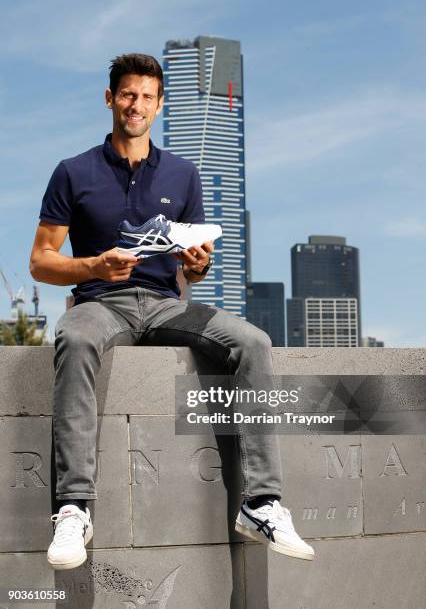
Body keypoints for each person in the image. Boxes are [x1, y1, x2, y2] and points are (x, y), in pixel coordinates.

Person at [29, 53, 314, 570]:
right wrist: (94, 265)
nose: (135, 105)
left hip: (165, 306)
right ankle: (74, 507)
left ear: (159, 105)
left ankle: (260, 502)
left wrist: (198, 264)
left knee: (252, 341)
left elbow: (194, 266)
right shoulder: (73, 172)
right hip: (102, 304)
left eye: (146, 97)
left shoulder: (184, 175)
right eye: (127, 95)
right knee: (73, 339)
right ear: (109, 98)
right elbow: (41, 263)